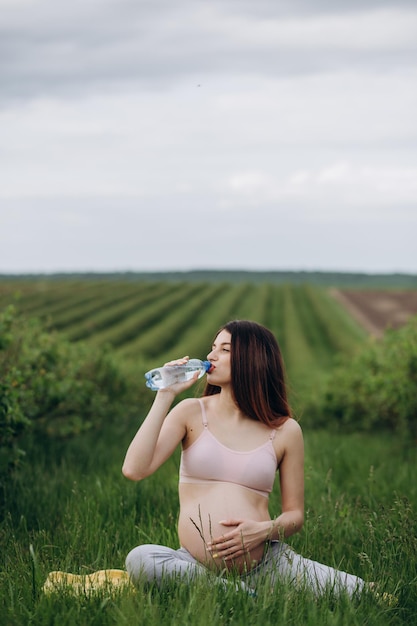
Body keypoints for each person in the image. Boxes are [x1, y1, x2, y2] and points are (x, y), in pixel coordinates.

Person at [122, 320, 366, 597]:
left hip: (269, 565)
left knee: (360, 593)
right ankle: (243, 596)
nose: (211, 356)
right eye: (213, 347)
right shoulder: (191, 412)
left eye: (224, 350)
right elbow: (134, 469)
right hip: (194, 565)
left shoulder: (285, 431)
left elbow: (295, 516)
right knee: (142, 560)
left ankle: (236, 592)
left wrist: (262, 531)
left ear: (253, 359)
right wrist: (165, 395)